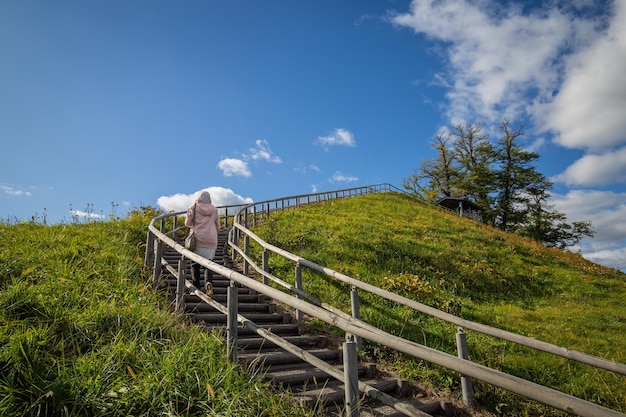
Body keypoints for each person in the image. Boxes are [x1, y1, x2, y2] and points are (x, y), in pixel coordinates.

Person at [185, 191, 219, 296]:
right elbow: (218, 226)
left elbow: (187, 223)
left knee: (195, 264)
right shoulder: (214, 210)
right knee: (208, 263)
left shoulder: (193, 207)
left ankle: (196, 287)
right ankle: (208, 282)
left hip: (198, 238)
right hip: (211, 239)